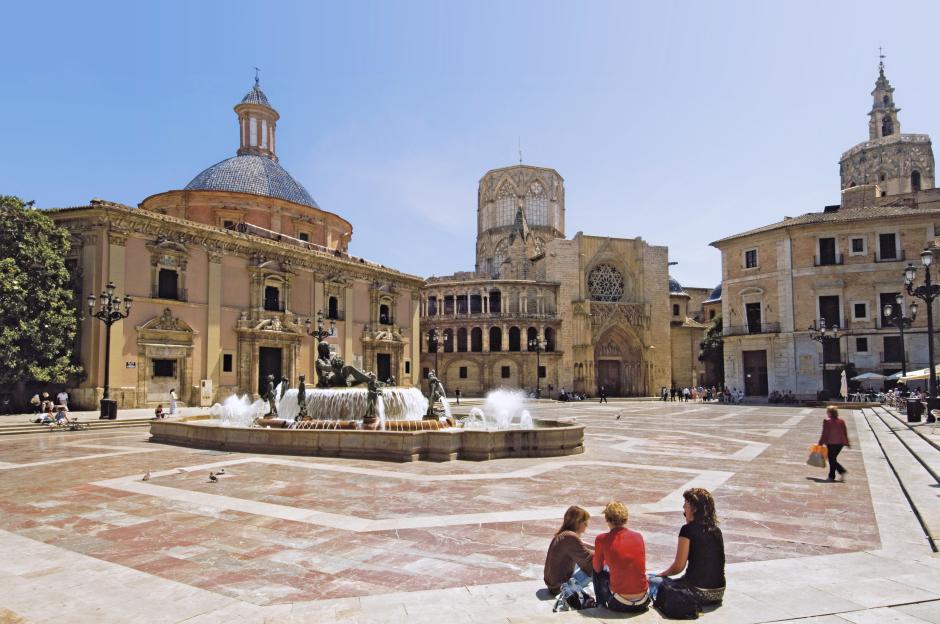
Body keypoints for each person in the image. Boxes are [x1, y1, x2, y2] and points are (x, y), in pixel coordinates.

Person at [649, 488, 726, 606]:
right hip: (718, 593)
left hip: (696, 592)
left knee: (651, 579)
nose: (683, 507)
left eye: (686, 504)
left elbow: (678, 566)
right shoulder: (716, 531)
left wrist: (663, 574)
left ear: (694, 508)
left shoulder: (687, 530)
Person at [592, 501, 650, 613]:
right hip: (643, 600)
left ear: (607, 519)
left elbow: (597, 568)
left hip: (620, 602)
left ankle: (600, 603)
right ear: (625, 519)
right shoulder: (638, 536)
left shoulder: (601, 539)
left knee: (596, 570)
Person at [544, 506, 595, 610]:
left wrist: (596, 547)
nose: (587, 525)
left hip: (552, 583)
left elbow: (581, 544)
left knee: (585, 560)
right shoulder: (571, 537)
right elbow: (589, 559)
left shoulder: (563, 534)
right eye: (584, 522)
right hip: (559, 587)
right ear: (576, 522)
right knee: (599, 564)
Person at [819, 405, 850, 481]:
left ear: (830, 413)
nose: (827, 413)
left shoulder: (827, 421)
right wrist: (847, 442)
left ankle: (840, 472)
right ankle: (832, 476)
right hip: (840, 443)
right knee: (832, 459)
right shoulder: (841, 421)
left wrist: (820, 443)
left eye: (827, 412)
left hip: (831, 443)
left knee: (831, 459)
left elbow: (825, 433)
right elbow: (845, 432)